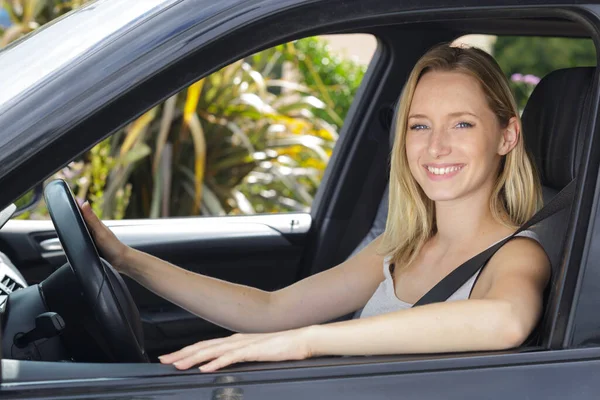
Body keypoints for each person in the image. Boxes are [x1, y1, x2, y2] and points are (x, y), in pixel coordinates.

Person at [80, 43, 550, 372]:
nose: (436, 147)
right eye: (419, 126)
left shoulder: (516, 255)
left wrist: (307, 342)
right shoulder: (401, 246)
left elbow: (506, 320)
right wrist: (127, 261)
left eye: (462, 124)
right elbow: (270, 310)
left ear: (507, 136)